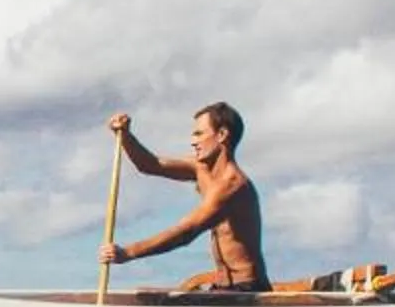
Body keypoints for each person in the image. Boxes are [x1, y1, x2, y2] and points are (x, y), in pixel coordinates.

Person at [98, 102, 268, 292]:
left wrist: (129, 252)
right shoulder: (201, 169)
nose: (193, 141)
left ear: (221, 135)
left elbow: (186, 232)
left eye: (199, 134)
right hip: (222, 287)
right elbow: (151, 164)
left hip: (247, 288)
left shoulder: (232, 185)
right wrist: (125, 136)